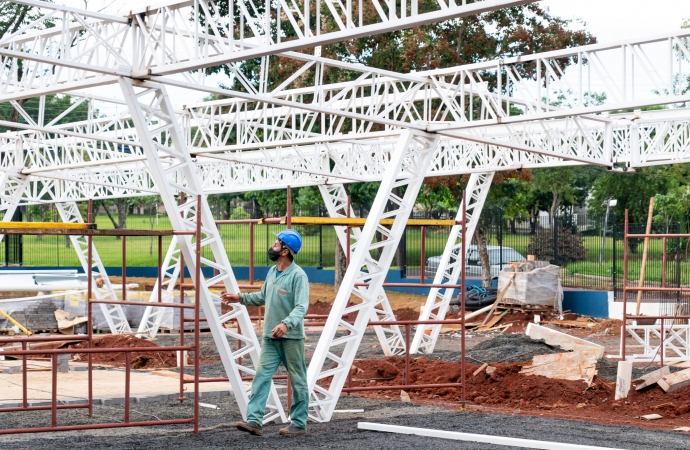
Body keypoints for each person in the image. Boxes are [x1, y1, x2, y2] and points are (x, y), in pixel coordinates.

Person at [220, 229, 309, 437]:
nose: (273, 245)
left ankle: (299, 423)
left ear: (286, 251)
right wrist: (239, 298)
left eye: (277, 243)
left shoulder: (298, 276)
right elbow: (262, 296)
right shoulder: (272, 272)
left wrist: (286, 324)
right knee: (261, 376)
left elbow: (301, 307)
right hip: (270, 337)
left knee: (297, 379)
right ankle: (254, 420)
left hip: (291, 338)